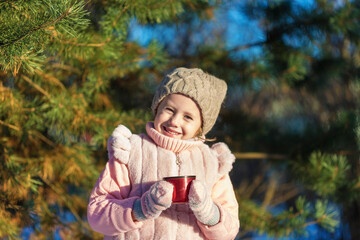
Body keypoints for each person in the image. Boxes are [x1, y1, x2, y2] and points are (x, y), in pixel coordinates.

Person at [87, 67, 240, 240]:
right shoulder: (131, 152)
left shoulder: (212, 163)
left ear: (201, 126)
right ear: (157, 107)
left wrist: (208, 212)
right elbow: (97, 214)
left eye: (188, 117)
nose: (174, 121)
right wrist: (140, 209)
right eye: (169, 109)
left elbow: (230, 230)